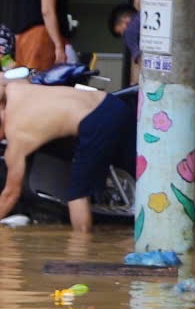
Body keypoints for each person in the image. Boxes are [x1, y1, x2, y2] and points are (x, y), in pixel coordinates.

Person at [108, 2, 195, 230]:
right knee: (194, 112)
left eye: (120, 33)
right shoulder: (173, 7)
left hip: (175, 78)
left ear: (123, 23)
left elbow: (144, 68)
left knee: (164, 146)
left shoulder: (133, 29)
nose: (125, 38)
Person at [0, 77, 133, 232]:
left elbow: (10, 194)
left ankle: (80, 249)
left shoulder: (18, 138)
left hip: (95, 121)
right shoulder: (14, 88)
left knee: (77, 196)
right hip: (112, 103)